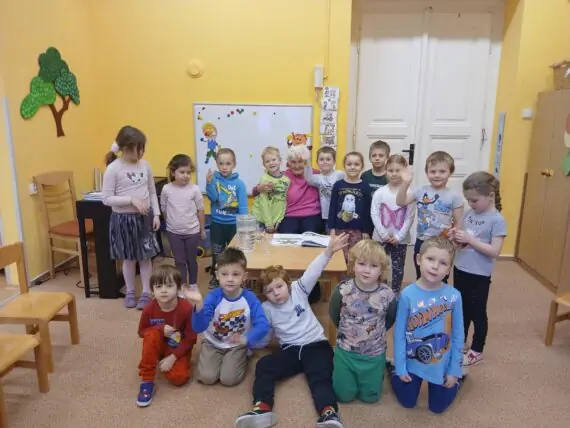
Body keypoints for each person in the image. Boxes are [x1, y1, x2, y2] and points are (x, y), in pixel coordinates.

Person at [235, 233, 349, 428]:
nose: (276, 293)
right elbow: (265, 335)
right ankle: (262, 408)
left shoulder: (299, 289)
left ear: (287, 284)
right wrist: (248, 344)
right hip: (290, 350)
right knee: (264, 365)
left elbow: (314, 270)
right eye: (269, 291)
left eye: (279, 286)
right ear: (265, 295)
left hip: (316, 345)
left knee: (320, 377)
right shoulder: (266, 309)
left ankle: (328, 413)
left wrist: (329, 251)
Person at [387, 236, 466, 414]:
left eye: (443, 263)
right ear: (418, 259)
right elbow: (399, 334)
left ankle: (461, 378)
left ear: (449, 269)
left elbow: (458, 335)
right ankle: (391, 368)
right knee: (407, 402)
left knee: (437, 407)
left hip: (441, 363)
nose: (435, 266)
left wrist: (454, 370)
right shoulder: (407, 295)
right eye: (430, 259)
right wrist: (400, 366)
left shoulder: (454, 296)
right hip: (412, 361)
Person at [184, 248, 269, 386]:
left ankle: (244, 354)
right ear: (217, 275)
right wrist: (199, 305)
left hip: (237, 344)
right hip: (213, 342)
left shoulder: (250, 298)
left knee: (229, 380)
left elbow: (263, 325)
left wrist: (246, 339)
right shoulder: (213, 297)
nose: (230, 279)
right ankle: (214, 354)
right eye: (224, 274)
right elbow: (198, 328)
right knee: (207, 377)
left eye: (236, 274)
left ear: (244, 276)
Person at [329, 239, 397, 404]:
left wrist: (374, 334)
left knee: (371, 398)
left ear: (381, 269)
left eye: (373, 266)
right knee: (343, 397)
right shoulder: (342, 290)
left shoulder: (387, 295)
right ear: (353, 265)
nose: (367, 270)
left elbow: (389, 319)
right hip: (346, 353)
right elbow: (334, 314)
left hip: (374, 355)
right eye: (361, 264)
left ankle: (386, 368)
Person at [102, 125, 161, 309]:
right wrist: (131, 199)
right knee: (129, 259)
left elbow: (152, 192)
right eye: (139, 148)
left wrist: (156, 214)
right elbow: (106, 199)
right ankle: (130, 291)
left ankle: (146, 292)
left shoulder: (146, 166)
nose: (142, 152)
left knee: (145, 257)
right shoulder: (113, 169)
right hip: (123, 220)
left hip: (144, 219)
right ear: (126, 148)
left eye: (143, 147)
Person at [451, 171, 506, 367]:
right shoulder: (469, 214)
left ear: (490, 196)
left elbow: (495, 251)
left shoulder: (497, 220)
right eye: (468, 200)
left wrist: (470, 240)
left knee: (477, 312)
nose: (470, 204)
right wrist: (457, 238)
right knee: (461, 309)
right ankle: (461, 342)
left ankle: (477, 350)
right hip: (461, 268)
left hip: (479, 275)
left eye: (474, 200)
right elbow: (464, 241)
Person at [396, 151, 464, 281]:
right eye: (433, 171)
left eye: (442, 171)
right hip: (422, 241)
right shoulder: (420, 191)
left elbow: (459, 222)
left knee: (441, 277)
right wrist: (405, 183)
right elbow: (400, 202)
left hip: (443, 243)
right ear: (427, 173)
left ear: (450, 172)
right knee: (421, 275)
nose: (437, 175)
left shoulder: (454, 196)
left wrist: (454, 242)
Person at [136, 265, 197, 407]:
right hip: (157, 344)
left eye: (169, 286)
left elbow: (191, 338)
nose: (163, 290)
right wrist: (160, 329)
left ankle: (166, 360)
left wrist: (173, 357)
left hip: (177, 347)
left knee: (179, 378)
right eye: (158, 287)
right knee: (152, 334)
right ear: (152, 291)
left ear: (178, 289)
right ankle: (147, 381)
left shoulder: (187, 308)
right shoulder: (149, 308)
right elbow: (142, 332)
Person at [371, 154, 415, 293]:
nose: (394, 174)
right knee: (379, 265)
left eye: (398, 170)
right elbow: (374, 214)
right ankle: (380, 291)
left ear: (404, 171)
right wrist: (383, 234)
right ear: (386, 171)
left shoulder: (409, 193)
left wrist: (399, 237)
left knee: (398, 267)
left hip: (400, 240)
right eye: (391, 170)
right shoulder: (380, 192)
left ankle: (395, 292)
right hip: (380, 238)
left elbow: (409, 217)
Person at [161, 154, 206, 288]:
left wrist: (202, 230)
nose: (186, 175)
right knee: (179, 261)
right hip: (174, 232)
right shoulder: (166, 189)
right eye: (182, 172)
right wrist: (169, 224)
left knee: (191, 260)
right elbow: (164, 209)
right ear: (172, 172)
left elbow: (200, 210)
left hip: (192, 231)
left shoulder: (195, 189)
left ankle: (193, 284)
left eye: (188, 172)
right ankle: (182, 285)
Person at [206, 148, 248, 288]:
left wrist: (243, 225)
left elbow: (243, 206)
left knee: (235, 253)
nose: (224, 167)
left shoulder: (239, 183)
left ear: (234, 164)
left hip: (234, 224)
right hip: (217, 223)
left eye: (228, 164)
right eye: (221, 164)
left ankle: (237, 277)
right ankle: (216, 277)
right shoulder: (214, 180)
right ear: (217, 164)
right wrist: (209, 184)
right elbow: (213, 198)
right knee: (217, 252)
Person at [328, 151, 373, 262]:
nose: (352, 167)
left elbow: (368, 210)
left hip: (358, 230)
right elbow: (332, 207)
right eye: (349, 164)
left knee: (355, 257)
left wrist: (366, 231)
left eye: (356, 164)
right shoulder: (338, 185)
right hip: (339, 229)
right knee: (339, 257)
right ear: (344, 166)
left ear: (362, 166)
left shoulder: (365, 186)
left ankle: (352, 274)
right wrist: (332, 228)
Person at [304, 146, 345, 233]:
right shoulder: (317, 178)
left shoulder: (340, 174)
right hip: (326, 215)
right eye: (321, 159)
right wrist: (307, 160)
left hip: (340, 213)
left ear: (334, 161)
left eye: (328, 159)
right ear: (317, 162)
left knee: (341, 236)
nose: (325, 162)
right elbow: (308, 179)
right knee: (329, 236)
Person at [252, 146, 290, 233]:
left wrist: (279, 220)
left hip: (275, 221)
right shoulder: (264, 179)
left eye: (274, 159)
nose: (271, 163)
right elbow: (263, 203)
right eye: (267, 161)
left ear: (280, 161)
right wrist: (268, 223)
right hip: (259, 219)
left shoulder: (286, 181)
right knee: (258, 241)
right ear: (264, 165)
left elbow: (284, 201)